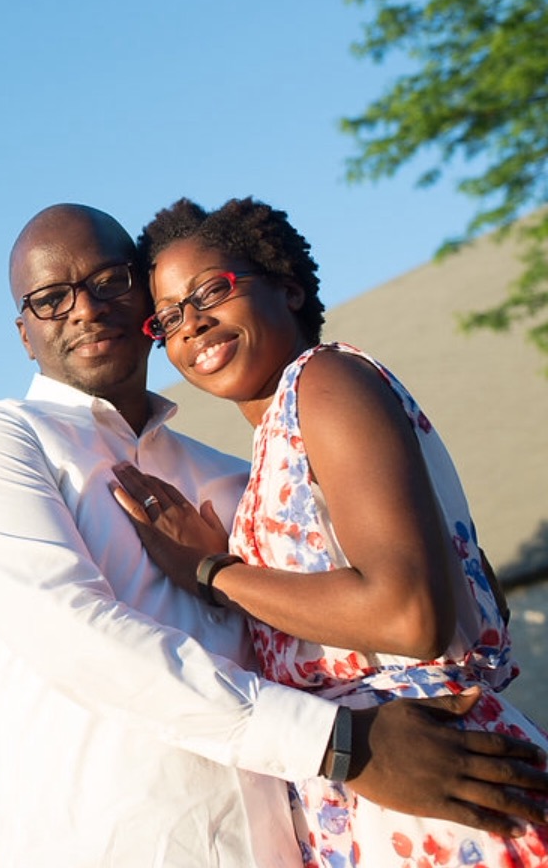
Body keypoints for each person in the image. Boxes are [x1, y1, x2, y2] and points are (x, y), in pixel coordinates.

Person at [0, 202, 548, 868]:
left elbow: (399, 609)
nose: (84, 308)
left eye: (109, 281)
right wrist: (339, 744)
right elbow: (76, 641)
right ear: (25, 334)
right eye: (51, 299)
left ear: (144, 300)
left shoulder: (238, 476)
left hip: (311, 839)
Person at [110, 197, 548, 867]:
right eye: (168, 317)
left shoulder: (326, 380)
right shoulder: (278, 435)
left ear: (288, 287)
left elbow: (409, 615)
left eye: (211, 291)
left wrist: (213, 573)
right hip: (384, 797)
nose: (191, 323)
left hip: (443, 792)